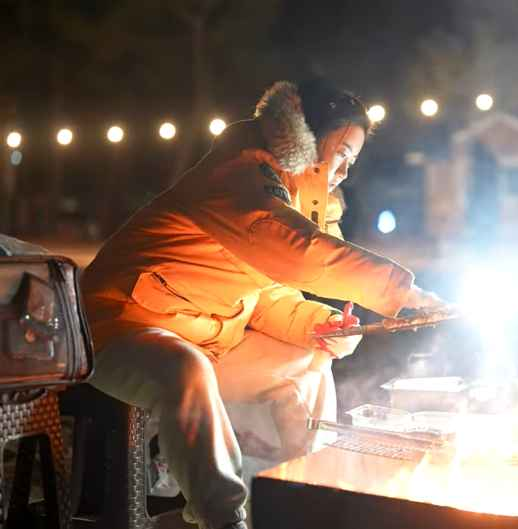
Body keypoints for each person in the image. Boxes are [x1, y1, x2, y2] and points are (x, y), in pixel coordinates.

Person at [81, 78, 448, 529]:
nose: (346, 171)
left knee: (309, 360)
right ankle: (222, 516)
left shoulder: (284, 194)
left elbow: (260, 292)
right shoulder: (239, 175)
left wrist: (322, 324)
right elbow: (296, 251)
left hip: (204, 334)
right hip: (120, 325)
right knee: (185, 369)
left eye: (354, 159)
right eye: (343, 154)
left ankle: (305, 495)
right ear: (309, 137)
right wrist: (401, 292)